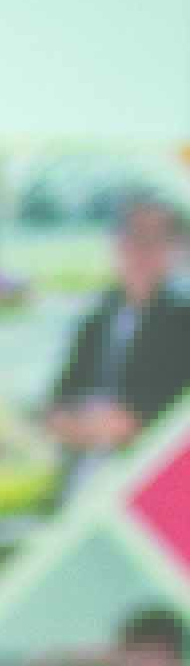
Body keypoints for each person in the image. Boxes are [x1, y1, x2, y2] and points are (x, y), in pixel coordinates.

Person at [44, 195, 190, 492]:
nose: (139, 248)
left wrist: (102, 424)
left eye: (154, 237)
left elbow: (156, 422)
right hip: (82, 482)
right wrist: (100, 425)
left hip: (156, 493)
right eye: (131, 234)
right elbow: (54, 412)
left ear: (179, 247)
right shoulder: (96, 318)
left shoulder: (182, 322)